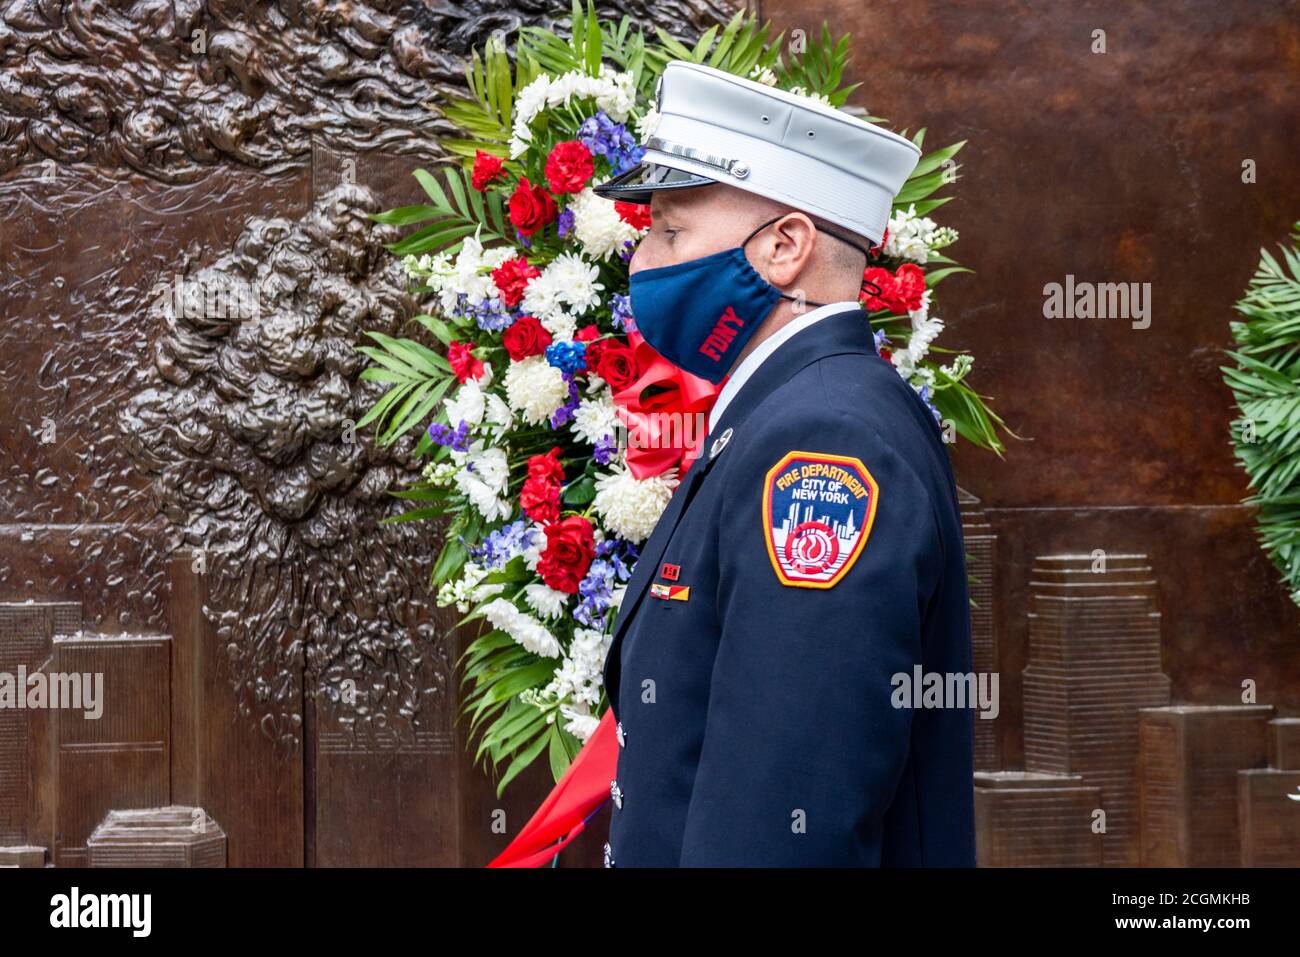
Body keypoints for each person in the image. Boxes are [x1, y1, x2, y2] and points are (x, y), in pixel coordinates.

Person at [590, 60, 976, 867]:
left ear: (784, 247)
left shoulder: (822, 444)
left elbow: (785, 818)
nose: (645, 259)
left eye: (670, 229)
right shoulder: (793, 412)